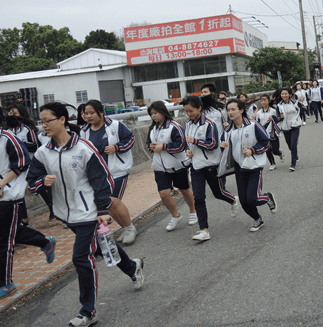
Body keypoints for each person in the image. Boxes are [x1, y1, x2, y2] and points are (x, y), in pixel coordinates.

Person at [27, 102, 143, 327]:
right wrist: (43, 181)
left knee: (81, 257)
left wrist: (102, 211)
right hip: (66, 214)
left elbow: (103, 182)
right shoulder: (43, 152)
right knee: (100, 247)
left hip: (89, 212)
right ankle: (132, 267)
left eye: (47, 120)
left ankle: (87, 311)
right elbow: (31, 182)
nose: (44, 125)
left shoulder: (83, 148)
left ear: (62, 119)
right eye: (41, 121)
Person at [1, 127, 56, 300]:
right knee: (11, 233)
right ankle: (45, 242)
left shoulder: (8, 138)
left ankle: (6, 284)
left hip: (8, 197)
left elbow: (22, 163)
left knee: (4, 241)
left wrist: (1, 185)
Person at [80, 100, 138, 245]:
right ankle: (127, 228)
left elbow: (130, 139)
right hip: (99, 175)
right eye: (86, 114)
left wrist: (117, 147)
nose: (88, 116)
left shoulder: (115, 125)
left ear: (100, 112)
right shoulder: (84, 131)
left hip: (117, 171)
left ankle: (130, 228)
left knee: (112, 202)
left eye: (92, 113)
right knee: (110, 205)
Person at [182, 95, 239, 242]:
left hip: (211, 165)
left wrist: (195, 141)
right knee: (198, 197)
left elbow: (213, 144)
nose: (189, 114)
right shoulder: (188, 123)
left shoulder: (209, 124)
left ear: (199, 108)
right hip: (195, 166)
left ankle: (233, 200)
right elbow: (189, 143)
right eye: (186, 111)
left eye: (191, 111)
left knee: (218, 193)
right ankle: (204, 230)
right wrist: (189, 150)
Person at [220, 99, 277, 231]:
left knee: (253, 198)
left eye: (233, 109)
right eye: (228, 110)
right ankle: (257, 219)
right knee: (244, 201)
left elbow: (266, 142)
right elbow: (224, 151)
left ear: (241, 110)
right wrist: (222, 146)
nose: (230, 112)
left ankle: (267, 197)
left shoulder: (253, 125)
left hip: (254, 165)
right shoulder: (227, 130)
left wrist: (253, 150)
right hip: (240, 168)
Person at [146, 101, 196, 232]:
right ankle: (176, 216)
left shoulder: (174, 127)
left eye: (155, 113)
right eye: (151, 114)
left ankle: (193, 211)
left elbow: (181, 145)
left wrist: (164, 147)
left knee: (184, 190)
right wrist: (151, 147)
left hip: (177, 166)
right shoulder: (153, 128)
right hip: (160, 168)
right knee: (164, 194)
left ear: (163, 112)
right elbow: (148, 144)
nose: (153, 116)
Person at [7, 104, 52, 224]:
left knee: (40, 187)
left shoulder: (27, 129)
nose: (12, 116)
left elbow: (35, 145)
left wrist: (19, 144)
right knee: (18, 191)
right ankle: (23, 218)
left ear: (21, 115)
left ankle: (52, 208)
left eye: (15, 113)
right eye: (10, 114)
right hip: (17, 166)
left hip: (31, 163)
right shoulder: (9, 131)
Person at [276, 87, 302, 171]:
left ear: (289, 94)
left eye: (285, 94)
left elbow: (301, 110)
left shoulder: (295, 102)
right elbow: (277, 117)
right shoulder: (279, 105)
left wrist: (299, 120)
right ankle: (295, 155)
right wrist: (280, 116)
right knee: (289, 144)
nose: (284, 95)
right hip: (285, 127)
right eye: (282, 94)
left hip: (295, 126)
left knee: (293, 144)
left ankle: (293, 164)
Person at [255, 94, 283, 170]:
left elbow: (279, 120)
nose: (263, 102)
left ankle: (279, 153)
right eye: (262, 100)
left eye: (265, 100)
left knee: (275, 150)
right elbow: (257, 124)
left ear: (268, 101)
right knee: (267, 150)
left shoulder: (273, 111)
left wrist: (273, 118)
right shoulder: (259, 113)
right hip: (264, 135)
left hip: (273, 133)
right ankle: (272, 163)